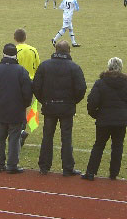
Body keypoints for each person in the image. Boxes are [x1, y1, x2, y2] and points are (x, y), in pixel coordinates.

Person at [33, 40, 87, 176]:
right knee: (66, 138)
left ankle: (44, 166)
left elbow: (36, 87)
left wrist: (44, 101)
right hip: (66, 108)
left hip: (49, 106)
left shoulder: (44, 66)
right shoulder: (74, 67)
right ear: (69, 51)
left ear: (56, 50)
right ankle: (67, 168)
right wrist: (72, 102)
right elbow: (81, 89)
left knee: (47, 136)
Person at [81, 57, 127, 181]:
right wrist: (124, 114)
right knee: (117, 146)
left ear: (109, 67)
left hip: (104, 120)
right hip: (120, 120)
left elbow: (92, 102)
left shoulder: (100, 83)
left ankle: (90, 172)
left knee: (99, 145)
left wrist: (96, 115)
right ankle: (113, 173)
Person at [0, 43, 33, 174]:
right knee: (14, 138)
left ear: (3, 54)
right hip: (17, 110)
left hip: (0, 109)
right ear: (16, 55)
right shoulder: (21, 71)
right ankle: (12, 165)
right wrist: (23, 105)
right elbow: (27, 92)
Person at [14, 28, 41, 147]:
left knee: (16, 107)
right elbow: (38, 67)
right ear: (25, 37)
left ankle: (20, 131)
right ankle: (22, 130)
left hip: (17, 81)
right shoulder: (33, 50)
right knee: (25, 106)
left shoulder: (14, 50)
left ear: (14, 38)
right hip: (31, 82)